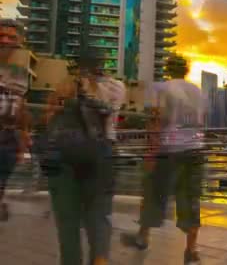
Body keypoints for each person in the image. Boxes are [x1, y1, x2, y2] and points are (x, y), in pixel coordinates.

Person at [43, 65, 125, 265]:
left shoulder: (63, 88)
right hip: (102, 157)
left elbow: (50, 121)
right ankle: (100, 259)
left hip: (64, 160)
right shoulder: (115, 89)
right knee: (99, 217)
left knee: (68, 223)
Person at [122, 78, 203, 264]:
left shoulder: (160, 88)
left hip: (170, 151)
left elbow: (156, 121)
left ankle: (143, 237)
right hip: (194, 150)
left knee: (153, 194)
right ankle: (191, 249)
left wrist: (151, 153)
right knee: (191, 199)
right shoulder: (195, 90)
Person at [0, 87, 31, 221]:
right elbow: (24, 127)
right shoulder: (19, 101)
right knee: (2, 180)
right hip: (12, 144)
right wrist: (22, 151)